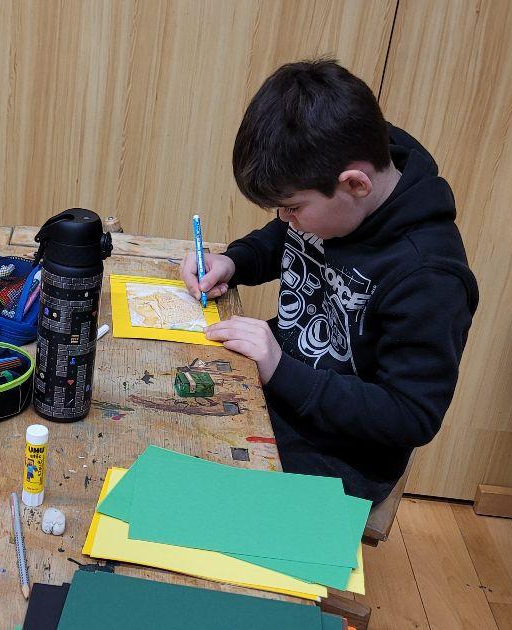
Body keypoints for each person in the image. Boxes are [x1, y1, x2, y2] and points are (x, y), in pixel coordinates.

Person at [181, 57, 477, 503]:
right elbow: (285, 237)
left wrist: (280, 370)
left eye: (293, 207)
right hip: (276, 397)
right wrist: (234, 261)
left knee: (194, 505)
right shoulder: (337, 188)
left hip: (339, 461)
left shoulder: (429, 277)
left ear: (355, 184)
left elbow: (411, 415)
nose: (286, 219)